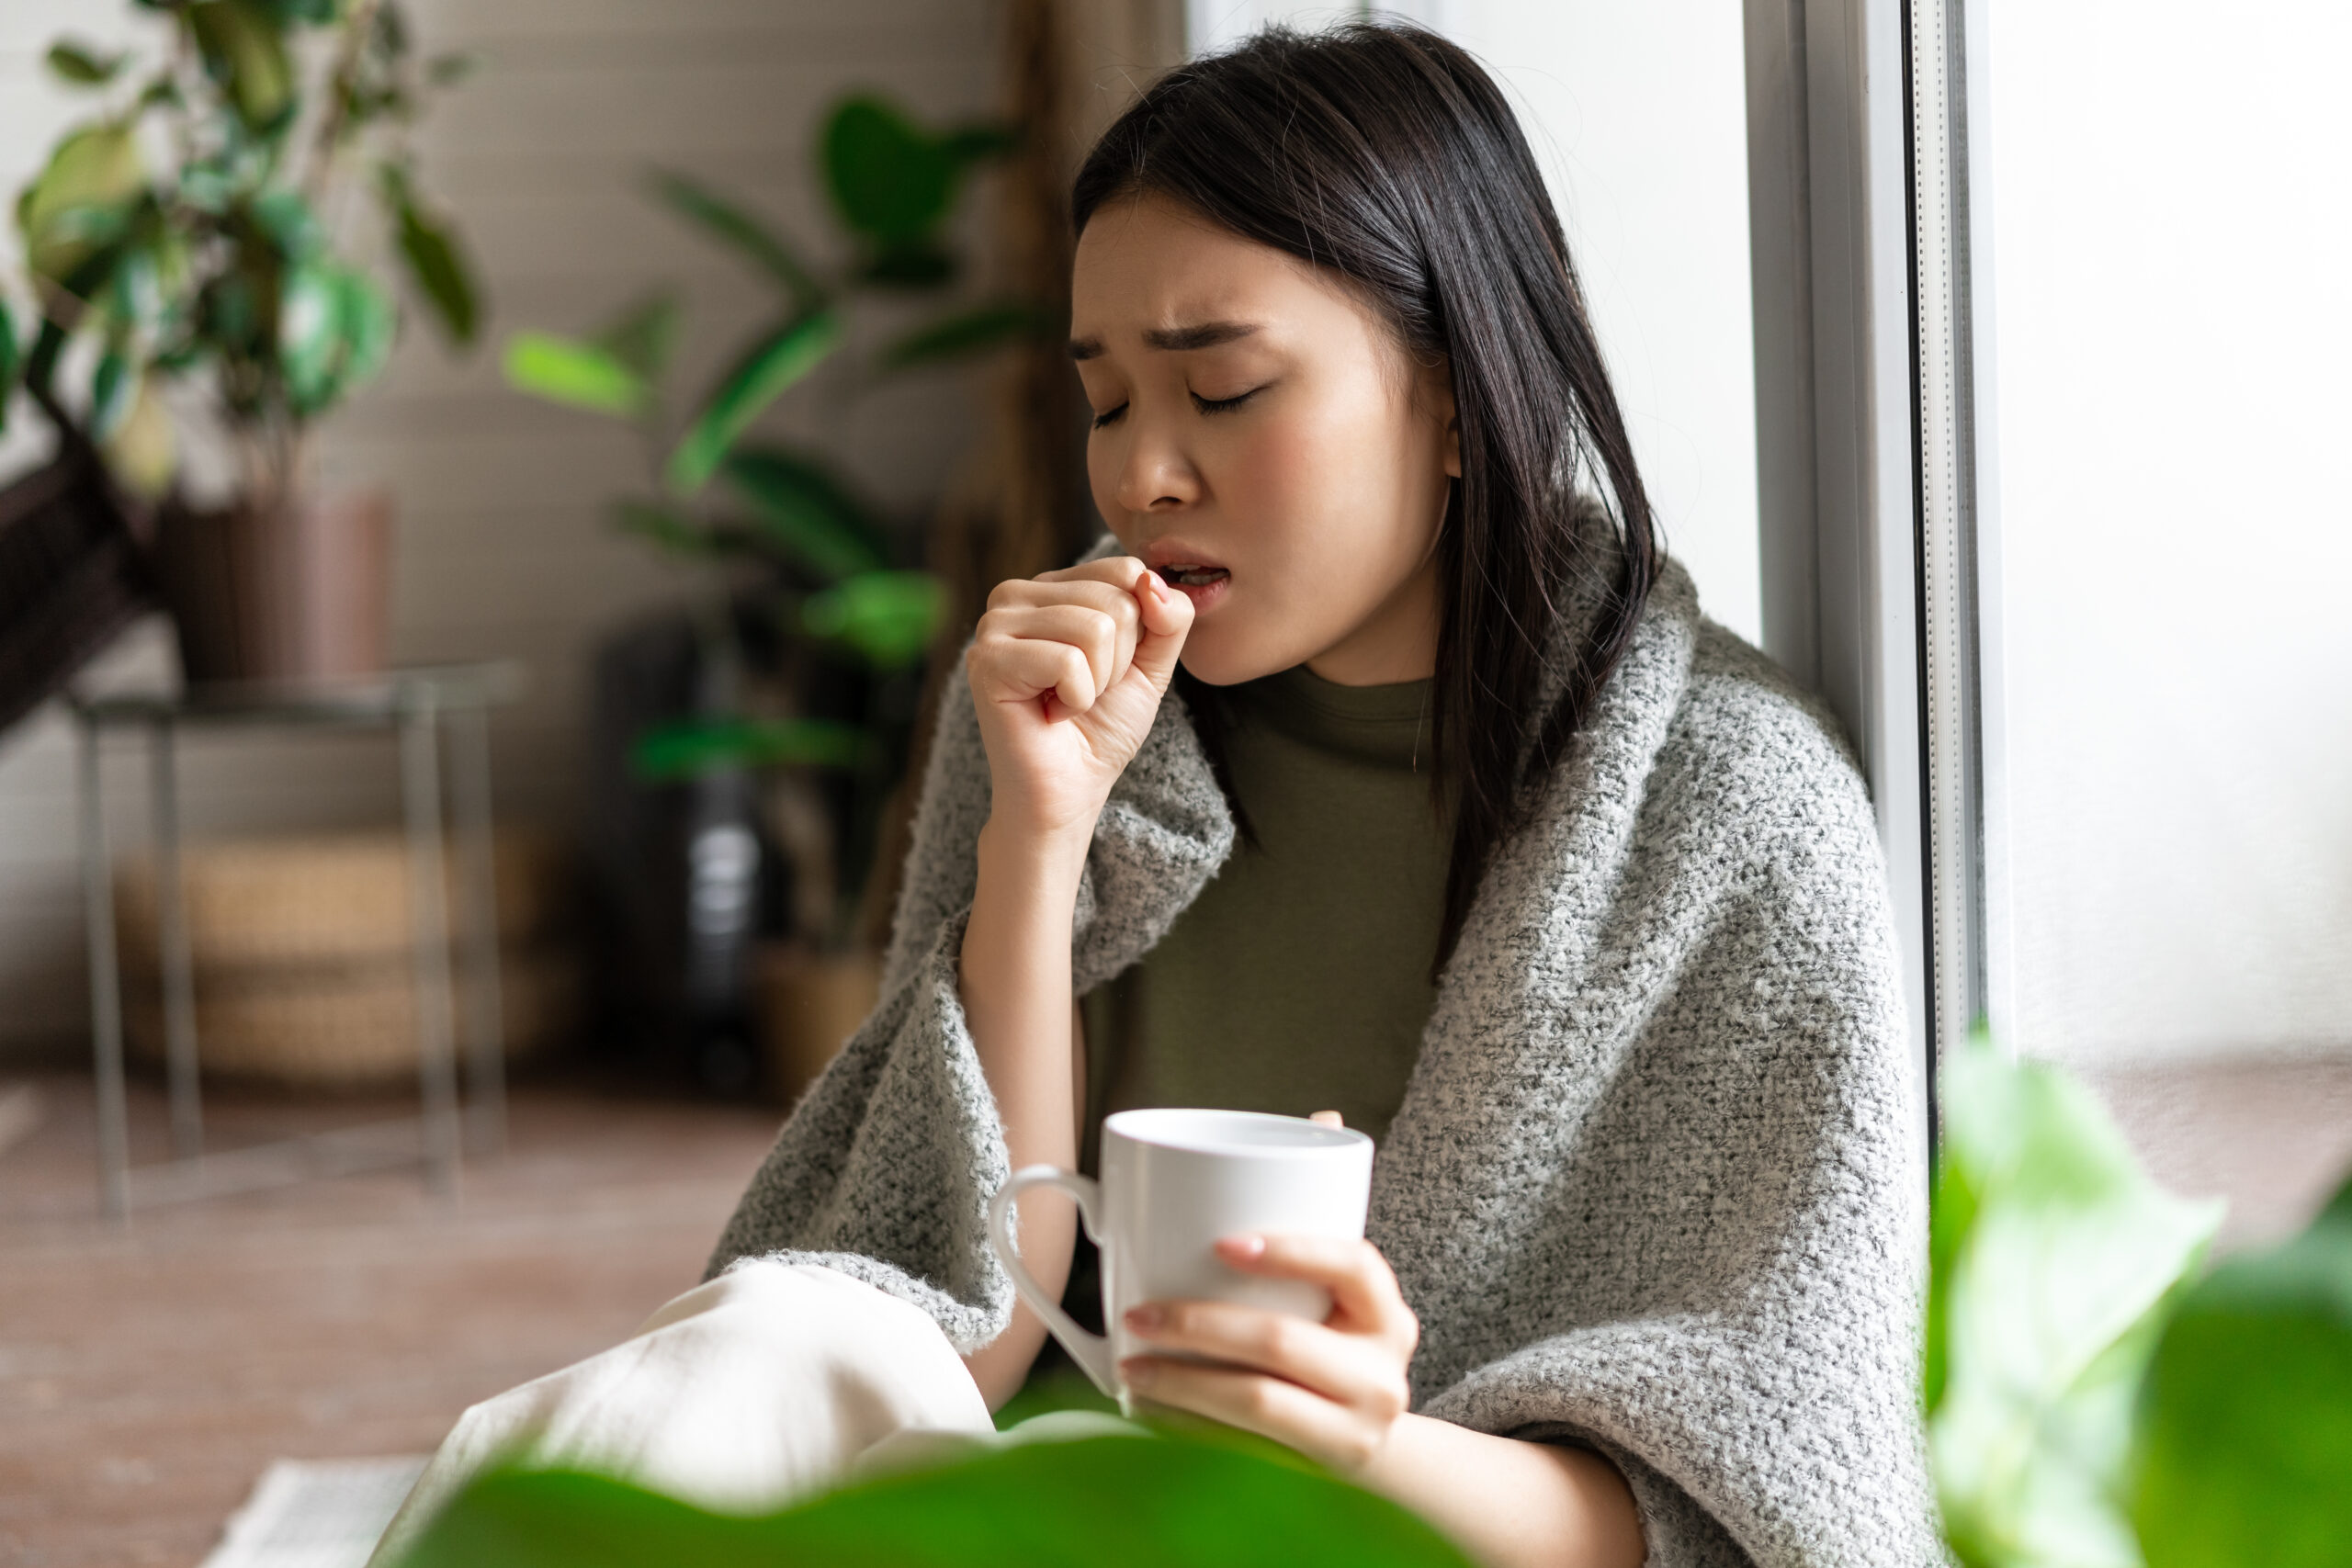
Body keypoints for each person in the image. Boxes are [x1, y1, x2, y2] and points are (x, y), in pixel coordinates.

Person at [374, 24, 1937, 1568]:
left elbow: (1751, 1506)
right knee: (737, 1360)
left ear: (1458, 395)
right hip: (1017, 1496)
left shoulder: (1726, 811)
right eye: (1109, 402)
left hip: (1361, 1538)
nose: (1143, 477)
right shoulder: (1066, 715)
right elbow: (941, 1323)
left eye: (1227, 390)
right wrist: (1039, 838)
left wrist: (1359, 1445)